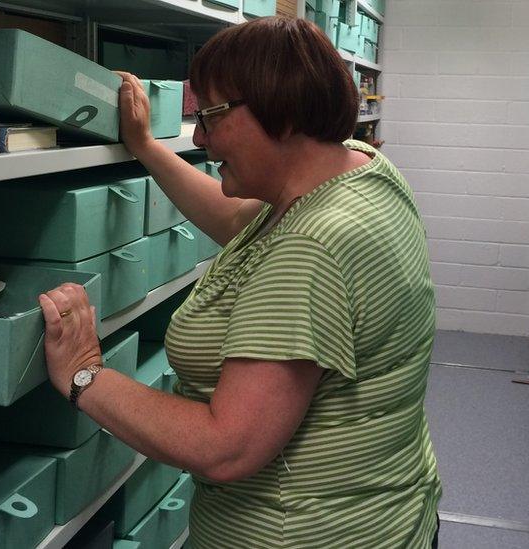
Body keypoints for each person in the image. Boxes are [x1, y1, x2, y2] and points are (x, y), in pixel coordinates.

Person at [39, 16, 441, 548]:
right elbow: (237, 221)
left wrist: (85, 374)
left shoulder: (312, 249)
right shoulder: (360, 169)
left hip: (304, 533)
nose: (200, 137)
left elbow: (227, 445)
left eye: (210, 116)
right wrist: (146, 146)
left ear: (283, 110)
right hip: (391, 514)